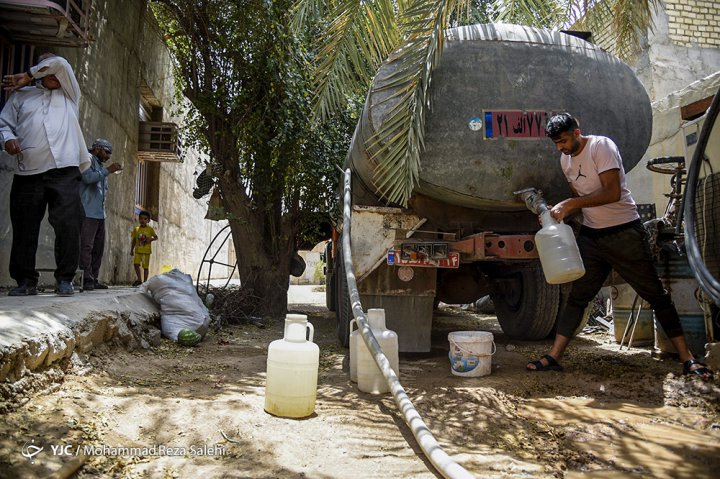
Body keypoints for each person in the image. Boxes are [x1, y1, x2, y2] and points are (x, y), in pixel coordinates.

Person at [527, 113, 713, 381]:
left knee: (656, 295)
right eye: (556, 143)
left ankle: (688, 359)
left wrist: (569, 204)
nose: (561, 147)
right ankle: (554, 356)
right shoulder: (565, 160)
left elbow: (611, 193)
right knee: (578, 297)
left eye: (564, 140)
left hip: (624, 232)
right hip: (593, 236)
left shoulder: (601, 147)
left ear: (577, 132)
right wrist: (560, 215)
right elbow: (582, 200)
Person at [1, 54, 91, 297]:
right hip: (28, 171)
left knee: (68, 224)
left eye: (51, 70)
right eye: (44, 70)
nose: (52, 74)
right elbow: (3, 123)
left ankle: (65, 279)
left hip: (65, 169)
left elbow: (62, 63)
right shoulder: (21, 96)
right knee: (24, 227)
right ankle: (25, 280)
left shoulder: (70, 94)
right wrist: (7, 139)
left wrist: (29, 73)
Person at [79, 139, 122, 290]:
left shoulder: (101, 166)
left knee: (98, 247)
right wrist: (108, 170)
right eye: (107, 152)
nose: (109, 156)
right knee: (86, 246)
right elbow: (88, 178)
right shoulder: (87, 159)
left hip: (99, 214)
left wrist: (106, 171)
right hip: (87, 211)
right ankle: (86, 279)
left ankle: (94, 278)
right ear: (97, 149)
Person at [130, 211, 158, 286]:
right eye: (141, 218)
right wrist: (131, 249)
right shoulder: (136, 229)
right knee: (136, 264)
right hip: (138, 251)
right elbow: (134, 240)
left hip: (146, 252)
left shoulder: (150, 229)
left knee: (145, 267)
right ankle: (139, 279)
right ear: (139, 219)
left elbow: (156, 237)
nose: (143, 220)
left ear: (148, 220)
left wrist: (150, 239)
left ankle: (145, 281)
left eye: (145, 219)